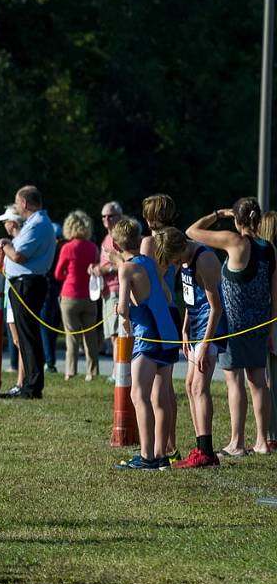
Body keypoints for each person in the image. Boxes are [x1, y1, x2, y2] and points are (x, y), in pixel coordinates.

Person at [187, 198, 276, 457]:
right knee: (259, 381)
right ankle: (262, 442)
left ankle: (236, 442)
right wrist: (271, 327)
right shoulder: (270, 248)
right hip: (260, 322)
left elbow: (191, 232)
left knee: (234, 381)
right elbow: (275, 292)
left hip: (235, 323)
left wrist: (218, 214)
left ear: (237, 220)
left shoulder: (233, 240)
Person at [113, 220, 182, 470]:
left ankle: (147, 456)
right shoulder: (150, 262)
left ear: (115, 243)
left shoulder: (126, 268)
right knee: (160, 396)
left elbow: (122, 307)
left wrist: (123, 313)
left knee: (138, 395)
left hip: (149, 337)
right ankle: (161, 452)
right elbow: (164, 293)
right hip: (168, 333)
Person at [164, 228, 227, 468]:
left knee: (200, 387)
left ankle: (207, 452)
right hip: (195, 327)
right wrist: (184, 327)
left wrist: (205, 345)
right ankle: (200, 448)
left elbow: (216, 308)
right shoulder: (185, 259)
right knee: (190, 386)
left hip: (210, 329)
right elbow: (191, 299)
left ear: (183, 248)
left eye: (177, 260)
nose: (177, 264)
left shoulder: (204, 259)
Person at [0, 186, 56, 399]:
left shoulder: (37, 224)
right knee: (26, 334)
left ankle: (32, 385)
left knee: (28, 336)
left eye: (17, 202)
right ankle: (29, 382)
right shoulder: (35, 224)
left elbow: (19, 256)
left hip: (28, 284)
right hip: (24, 283)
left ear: (25, 203)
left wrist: (5, 245)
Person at [139, 195, 181, 460]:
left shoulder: (149, 242)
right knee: (166, 389)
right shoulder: (176, 240)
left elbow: (145, 276)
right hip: (173, 313)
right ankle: (168, 445)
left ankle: (155, 450)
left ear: (149, 216)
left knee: (152, 391)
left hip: (154, 315)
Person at [54, 210, 101, 380]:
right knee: (90, 336)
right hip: (89, 295)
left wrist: (68, 273)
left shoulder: (67, 247)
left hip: (70, 295)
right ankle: (92, 372)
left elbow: (58, 274)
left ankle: (70, 371)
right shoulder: (93, 247)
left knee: (72, 336)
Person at [0, 206, 25, 391]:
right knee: (17, 341)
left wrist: (0, 257)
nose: (4, 224)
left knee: (20, 341)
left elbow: (14, 269)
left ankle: (21, 382)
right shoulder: (14, 243)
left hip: (14, 296)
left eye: (6, 221)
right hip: (10, 296)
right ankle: (21, 381)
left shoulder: (16, 244)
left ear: (12, 223)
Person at [90, 202, 126, 365]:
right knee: (112, 334)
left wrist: (104, 270)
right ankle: (117, 371)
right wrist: (95, 268)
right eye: (103, 216)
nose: (106, 219)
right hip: (106, 290)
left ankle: (119, 373)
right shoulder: (107, 237)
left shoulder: (121, 236)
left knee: (118, 334)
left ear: (119, 216)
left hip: (118, 289)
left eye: (110, 215)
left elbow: (125, 262)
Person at [259, 210, 277, 450]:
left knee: (270, 381)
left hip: (270, 322)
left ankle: (271, 435)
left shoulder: (269, 256)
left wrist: (271, 329)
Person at [41, 222, 64, 374]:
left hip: (48, 287)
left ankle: (49, 361)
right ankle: (49, 359)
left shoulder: (50, 249)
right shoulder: (62, 247)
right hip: (59, 288)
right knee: (52, 326)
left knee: (45, 325)